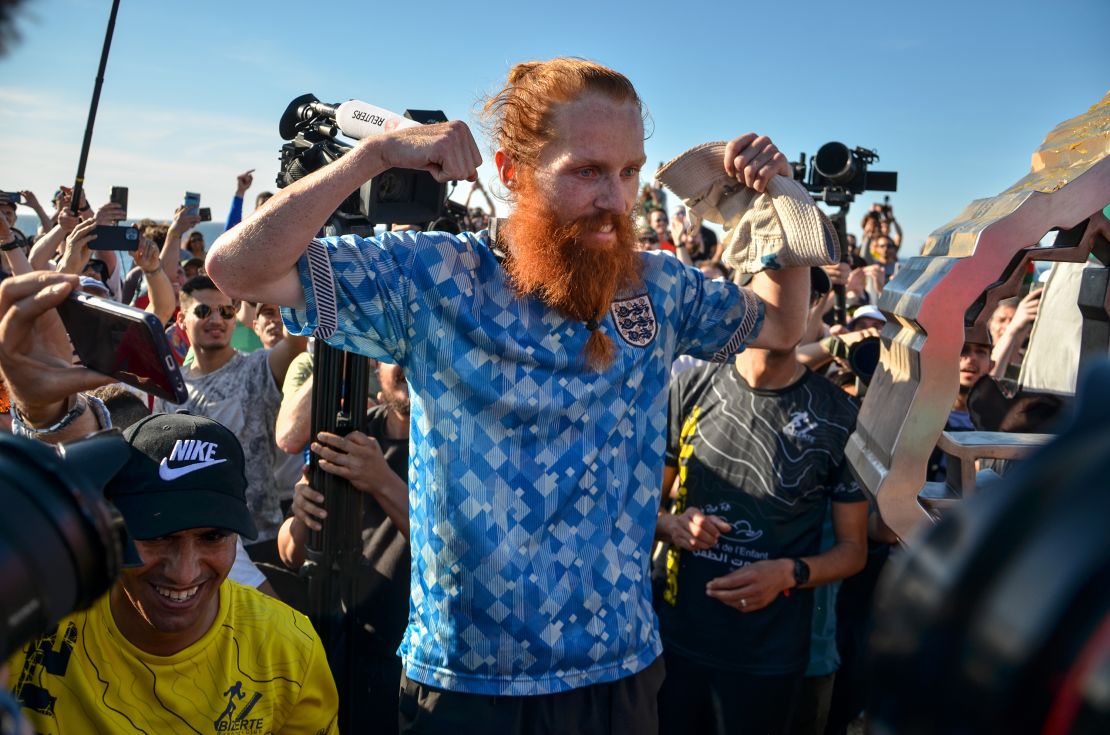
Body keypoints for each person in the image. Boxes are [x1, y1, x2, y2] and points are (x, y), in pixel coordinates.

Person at [207, 57, 814, 733]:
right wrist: (374, 155)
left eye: (629, 172)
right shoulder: (433, 276)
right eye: (587, 171)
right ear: (511, 172)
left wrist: (775, 200)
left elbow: (783, 325)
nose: (616, 199)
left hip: (620, 675)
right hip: (467, 682)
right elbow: (239, 269)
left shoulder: (658, 287)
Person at [4, 411, 340, 734]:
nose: (183, 572)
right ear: (112, 528)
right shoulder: (33, 622)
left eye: (212, 537)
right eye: (158, 536)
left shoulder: (289, 649)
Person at [654, 295, 868, 735]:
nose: (780, 307)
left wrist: (790, 572)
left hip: (770, 657)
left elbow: (853, 550)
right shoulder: (690, 386)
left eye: (794, 292)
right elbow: (641, 508)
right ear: (741, 298)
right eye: (768, 293)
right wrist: (672, 524)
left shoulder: (839, 414)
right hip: (678, 638)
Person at [279, 361, 413, 732]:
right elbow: (290, 553)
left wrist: (380, 480)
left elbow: (456, 556)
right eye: (393, 350)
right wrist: (304, 516)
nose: (405, 364)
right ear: (374, 362)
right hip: (342, 646)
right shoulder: (354, 430)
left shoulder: (454, 442)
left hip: (411, 666)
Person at [153, 275, 307, 559]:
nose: (217, 320)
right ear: (182, 318)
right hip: (190, 544)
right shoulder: (171, 388)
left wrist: (285, 274)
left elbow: (296, 344)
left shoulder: (258, 366)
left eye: (226, 311)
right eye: (204, 311)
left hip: (256, 539)